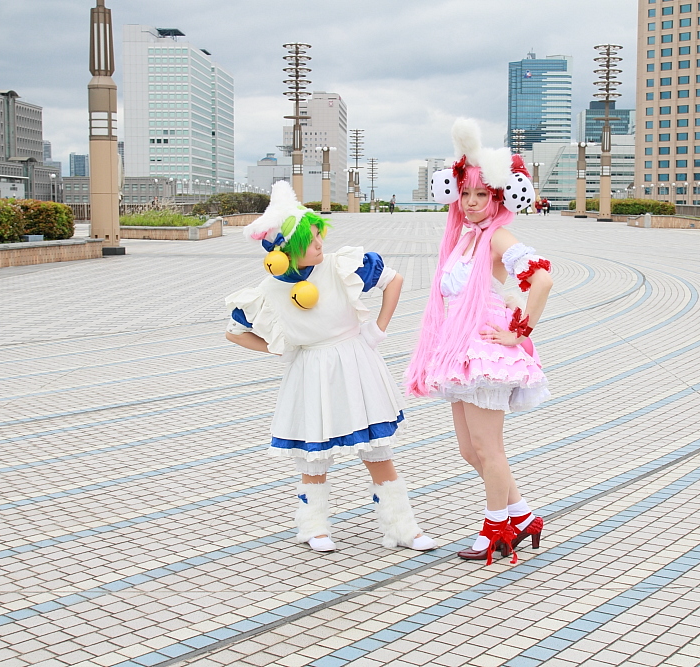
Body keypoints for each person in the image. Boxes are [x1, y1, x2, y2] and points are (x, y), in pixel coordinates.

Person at [226, 182, 436, 553]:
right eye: (309, 240)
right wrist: (282, 348)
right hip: (310, 371)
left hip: (357, 363)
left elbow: (394, 280)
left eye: (318, 234)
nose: (319, 243)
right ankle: (313, 526)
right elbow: (234, 332)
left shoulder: (340, 266)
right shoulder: (268, 290)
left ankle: (402, 528)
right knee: (314, 455)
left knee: (378, 450)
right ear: (285, 252)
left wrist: (377, 329)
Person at [408, 119, 552, 565]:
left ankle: (496, 528)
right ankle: (523, 517)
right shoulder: (464, 236)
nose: (471, 202)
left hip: (486, 350)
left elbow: (542, 279)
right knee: (470, 450)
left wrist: (519, 332)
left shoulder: (498, 237)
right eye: (465, 193)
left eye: (481, 195)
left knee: (489, 450)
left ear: (498, 197)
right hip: (459, 349)